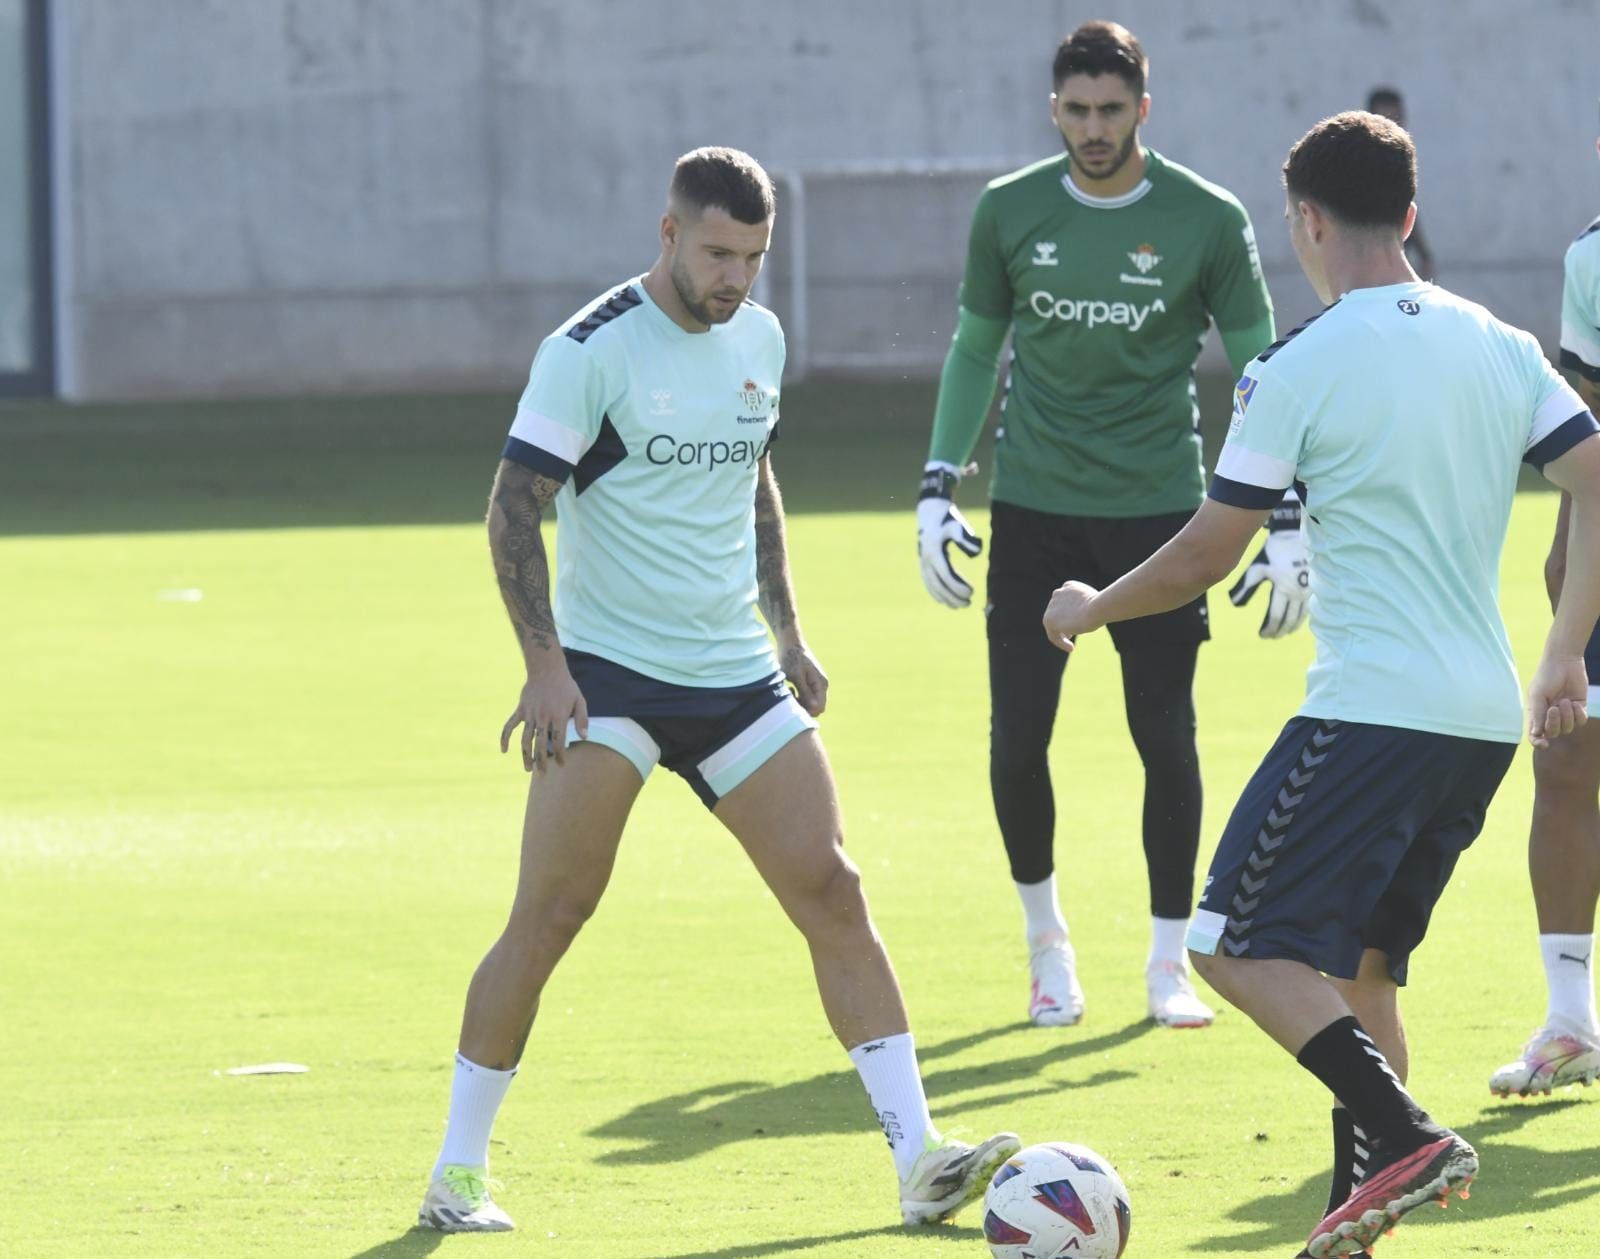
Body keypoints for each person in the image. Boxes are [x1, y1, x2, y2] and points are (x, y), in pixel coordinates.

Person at [418, 147, 1019, 1233]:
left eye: (753, 256)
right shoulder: (586, 349)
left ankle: (919, 1155)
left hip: (735, 671)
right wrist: (545, 664)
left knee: (833, 890)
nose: (735, 276)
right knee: (552, 912)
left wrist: (788, 631)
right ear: (667, 233)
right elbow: (514, 507)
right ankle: (456, 1172)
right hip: (608, 676)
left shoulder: (760, 336)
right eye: (715, 252)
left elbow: (754, 477)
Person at [1041, 111, 1600, 1256]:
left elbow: (1210, 550)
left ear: (1302, 220)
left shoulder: (1296, 363)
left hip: (1371, 710)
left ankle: (1401, 1131)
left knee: (1227, 942)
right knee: (1359, 970)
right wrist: (1562, 649)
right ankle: (1357, 1216)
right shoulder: (1499, 343)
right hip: (1479, 718)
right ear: (1407, 213)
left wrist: (1091, 604)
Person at [916, 19, 1306, 1032]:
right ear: (1054, 109)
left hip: (1160, 509)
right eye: (1076, 110)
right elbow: (972, 350)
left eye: (1111, 109)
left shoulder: (1207, 219)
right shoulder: (1007, 211)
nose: (1093, 128)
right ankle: (1047, 948)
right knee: (1018, 738)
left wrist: (1283, 507)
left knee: (1163, 735)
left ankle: (1168, 959)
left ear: (1144, 106)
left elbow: (1262, 366)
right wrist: (935, 482)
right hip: (1035, 506)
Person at [1489, 124, 1600, 1098]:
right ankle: (1570, 1019)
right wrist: (1568, 546)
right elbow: (1589, 416)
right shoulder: (1591, 258)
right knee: (1564, 755)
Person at [1366, 88, 1436, 280]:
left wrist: (1424, 254)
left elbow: (1404, 207)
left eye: (1398, 117)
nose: (1394, 124)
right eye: (1386, 117)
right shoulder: (1363, 159)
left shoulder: (1395, 157)